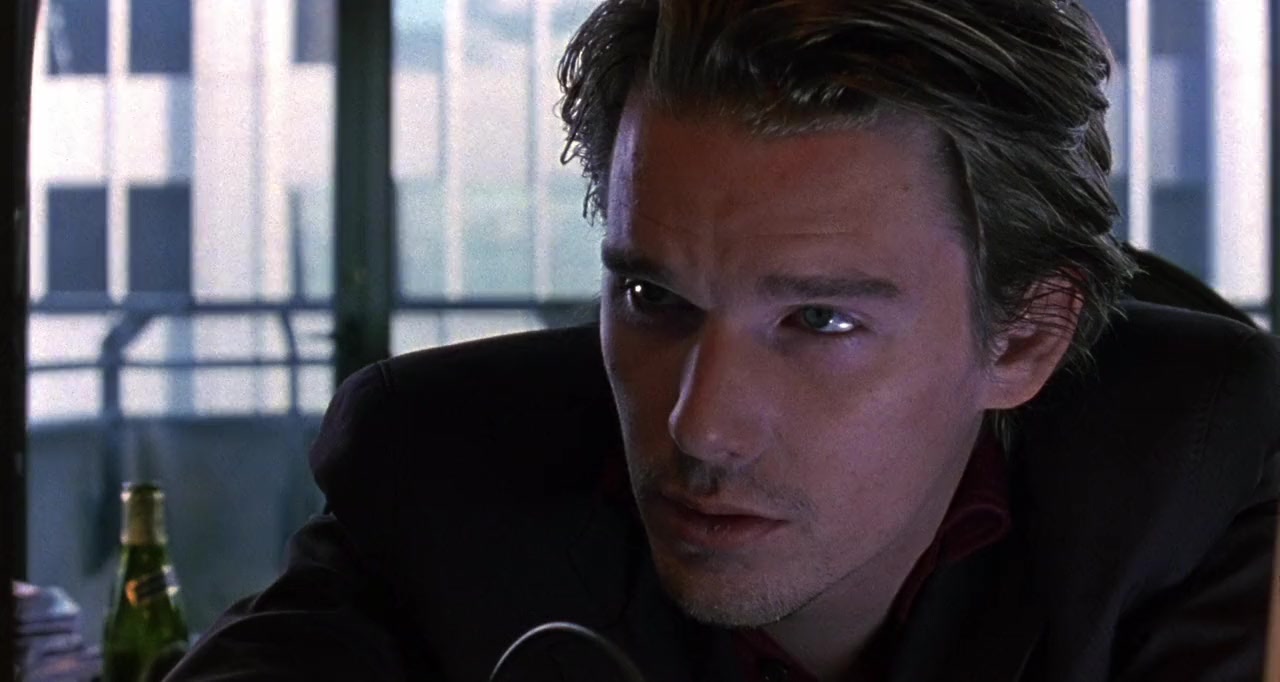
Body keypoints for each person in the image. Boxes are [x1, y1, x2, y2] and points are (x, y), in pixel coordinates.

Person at [167, 1, 1280, 680]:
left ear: (1023, 339)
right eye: (652, 296)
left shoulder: (1191, 465)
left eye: (819, 320)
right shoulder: (442, 464)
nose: (696, 425)